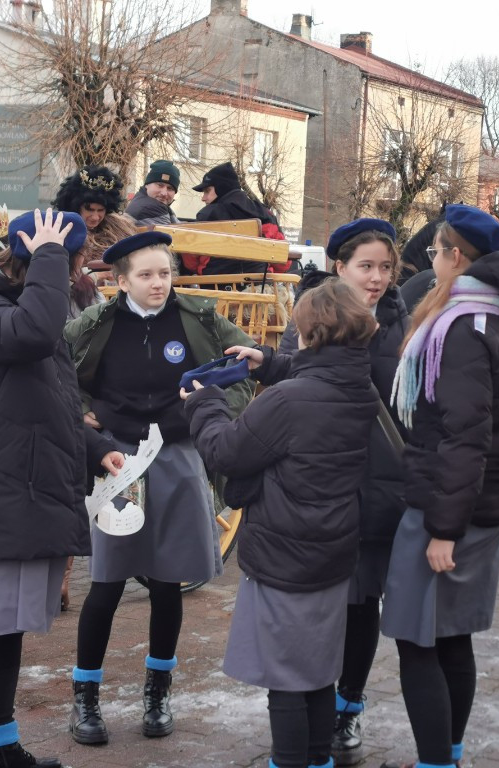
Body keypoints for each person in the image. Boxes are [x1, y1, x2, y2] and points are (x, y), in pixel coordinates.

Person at [0, 208, 123, 768]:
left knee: (8, 629)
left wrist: (97, 450)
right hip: (2, 490)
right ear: (39, 258)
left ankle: (0, 745)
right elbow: (34, 335)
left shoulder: (21, 303)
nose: (74, 276)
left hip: (33, 486)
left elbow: (56, 403)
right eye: (71, 263)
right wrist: (49, 255)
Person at [62, 230, 256, 747]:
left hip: (176, 455)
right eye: (145, 275)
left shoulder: (196, 315)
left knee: (168, 582)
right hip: (117, 459)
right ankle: (85, 699)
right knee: (107, 581)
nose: (157, 284)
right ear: (121, 281)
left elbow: (246, 360)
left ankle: (158, 692)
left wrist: (217, 414)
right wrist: (87, 423)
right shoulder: (98, 323)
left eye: (165, 273)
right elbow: (60, 369)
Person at [182, 280, 378, 768]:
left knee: (285, 680)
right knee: (314, 672)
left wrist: (203, 402)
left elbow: (225, 450)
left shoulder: (288, 401)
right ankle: (318, 758)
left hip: (284, 553)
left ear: (310, 333)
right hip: (332, 551)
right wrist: (267, 363)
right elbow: (322, 382)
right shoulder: (360, 388)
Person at [381, 204, 499, 768]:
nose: (430, 262)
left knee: (418, 639)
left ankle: (436, 761)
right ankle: (446, 753)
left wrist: (444, 530)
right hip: (480, 501)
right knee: (449, 636)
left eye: (434, 252)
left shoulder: (464, 326)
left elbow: (465, 437)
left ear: (456, 256)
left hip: (450, 510)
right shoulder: (494, 316)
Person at [276, 219, 409, 765]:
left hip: (376, 486)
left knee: (361, 604)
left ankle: (348, 705)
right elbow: (294, 375)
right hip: (322, 484)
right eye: (365, 266)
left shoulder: (401, 321)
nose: (376, 278)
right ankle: (311, 704)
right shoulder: (308, 313)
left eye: (384, 268)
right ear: (339, 267)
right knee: (317, 606)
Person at [52, 165, 137, 313]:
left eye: (101, 210)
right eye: (90, 210)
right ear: (76, 206)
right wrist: (95, 275)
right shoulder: (62, 233)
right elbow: (58, 276)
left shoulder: (119, 231)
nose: (95, 217)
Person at [191, 161, 280, 275]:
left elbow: (191, 261)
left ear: (221, 188)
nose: (203, 198)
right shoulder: (266, 214)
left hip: (213, 287)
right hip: (258, 287)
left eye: (207, 191)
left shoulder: (207, 215)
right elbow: (283, 263)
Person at [124, 160, 182, 227]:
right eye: (160, 185)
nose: (164, 193)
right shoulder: (151, 208)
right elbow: (175, 234)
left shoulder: (142, 199)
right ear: (147, 185)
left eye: (170, 188)